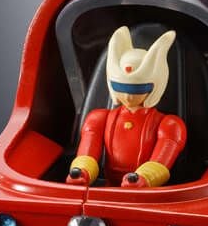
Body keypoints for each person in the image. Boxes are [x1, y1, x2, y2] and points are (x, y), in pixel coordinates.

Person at [66, 26, 187, 188]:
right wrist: (82, 171)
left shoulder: (169, 125)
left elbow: (161, 161)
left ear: (155, 87)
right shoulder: (99, 119)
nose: (128, 96)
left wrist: (145, 177)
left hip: (147, 191)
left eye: (138, 89)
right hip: (109, 188)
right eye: (120, 88)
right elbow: (88, 151)